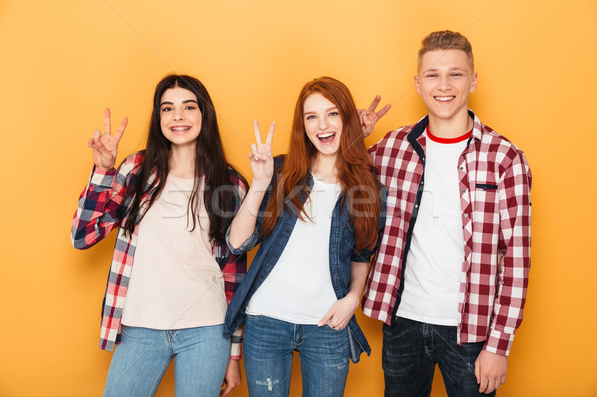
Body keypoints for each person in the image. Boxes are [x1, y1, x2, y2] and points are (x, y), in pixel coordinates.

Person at [360, 30, 532, 396]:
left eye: (455, 73)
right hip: (402, 320)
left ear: (473, 80)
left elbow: (516, 259)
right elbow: (336, 179)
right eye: (433, 75)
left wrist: (498, 345)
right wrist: (354, 138)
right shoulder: (391, 147)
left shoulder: (504, 158)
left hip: (471, 330)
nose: (444, 85)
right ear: (418, 85)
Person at [71, 74, 247, 396]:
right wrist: (103, 171)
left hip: (207, 329)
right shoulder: (136, 170)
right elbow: (83, 236)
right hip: (140, 325)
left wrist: (233, 355)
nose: (177, 116)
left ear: (204, 115)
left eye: (188, 107)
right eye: (167, 109)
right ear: (159, 118)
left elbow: (234, 274)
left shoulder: (231, 184)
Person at [223, 76, 386, 397]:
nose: (322, 125)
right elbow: (237, 242)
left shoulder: (367, 184)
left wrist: (353, 299)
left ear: (347, 119)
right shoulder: (281, 171)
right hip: (266, 322)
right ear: (303, 125)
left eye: (333, 113)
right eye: (312, 117)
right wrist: (259, 182)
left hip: (327, 326)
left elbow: (362, 254)